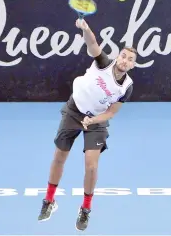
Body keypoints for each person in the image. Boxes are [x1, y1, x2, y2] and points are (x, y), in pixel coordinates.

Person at [37, 18, 137, 231]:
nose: (125, 61)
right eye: (123, 56)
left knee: (91, 166)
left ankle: (85, 208)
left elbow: (111, 112)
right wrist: (86, 28)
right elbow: (92, 45)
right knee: (59, 157)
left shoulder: (126, 87)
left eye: (130, 60)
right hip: (74, 111)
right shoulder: (104, 63)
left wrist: (93, 120)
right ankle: (49, 201)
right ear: (118, 56)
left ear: (132, 65)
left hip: (96, 121)